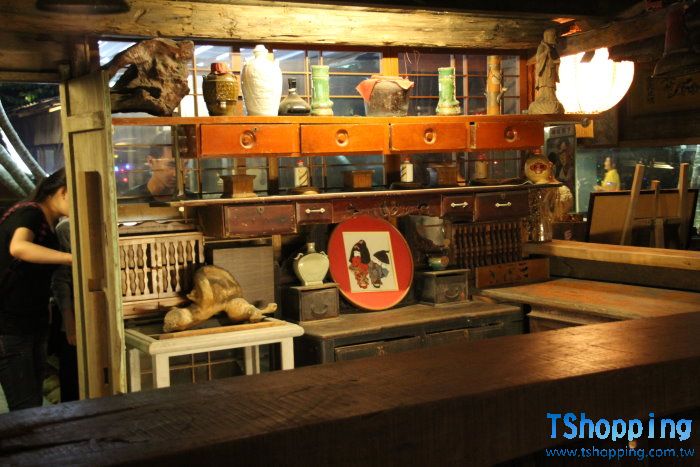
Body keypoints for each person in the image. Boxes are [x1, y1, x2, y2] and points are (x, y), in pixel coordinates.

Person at [0, 168, 72, 411]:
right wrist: (71, 258)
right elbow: (18, 247)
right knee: (25, 408)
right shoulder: (30, 212)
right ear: (63, 191)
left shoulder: (50, 221)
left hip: (32, 321)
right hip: (10, 325)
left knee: (32, 403)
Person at [50, 217, 78, 402]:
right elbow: (60, 279)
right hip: (76, 316)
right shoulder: (66, 228)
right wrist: (69, 321)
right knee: (73, 383)